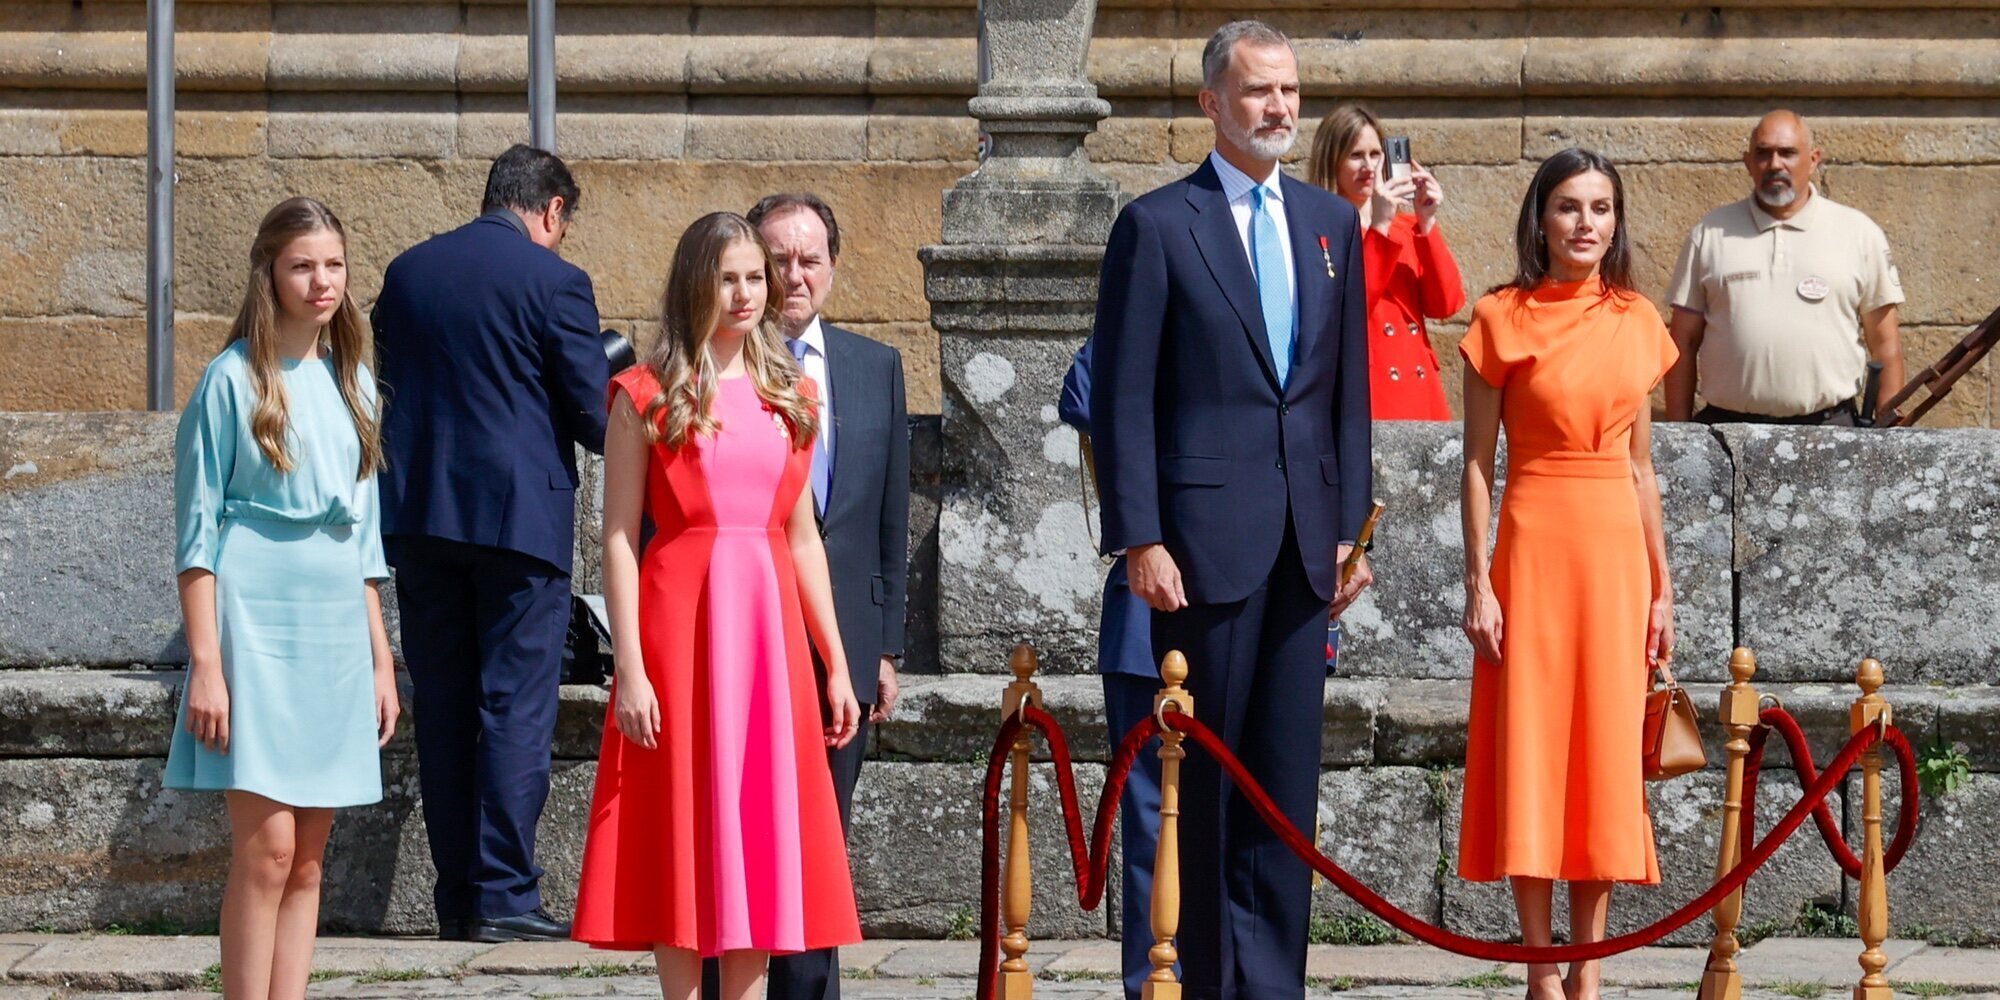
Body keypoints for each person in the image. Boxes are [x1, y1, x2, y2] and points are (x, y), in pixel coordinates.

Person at [1089, 20, 1374, 1000]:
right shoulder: (1159, 225)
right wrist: (1140, 535)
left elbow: (1345, 398)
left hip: (1302, 550)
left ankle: (1271, 986)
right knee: (1201, 790)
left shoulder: (1331, 227)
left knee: (1283, 791)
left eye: (1289, 91)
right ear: (1211, 102)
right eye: (1258, 92)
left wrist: (1350, 531)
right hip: (1198, 553)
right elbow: (1123, 395)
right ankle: (1200, 983)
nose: (1280, 109)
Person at [572, 212, 864, 1000]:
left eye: (753, 277)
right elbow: (620, 539)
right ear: (696, 283)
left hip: (768, 640)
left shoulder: (792, 395)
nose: (745, 293)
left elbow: (803, 538)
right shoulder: (645, 393)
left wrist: (835, 661)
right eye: (729, 276)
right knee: (681, 829)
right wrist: (627, 667)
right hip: (681, 630)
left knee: (760, 837)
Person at [371, 144, 610, 943]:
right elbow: (593, 415)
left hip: (420, 517)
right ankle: (506, 897)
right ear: (551, 211)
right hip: (519, 526)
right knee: (513, 707)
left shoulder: (408, 273)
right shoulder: (556, 282)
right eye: (562, 226)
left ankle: (457, 899)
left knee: (442, 710)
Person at [166, 197, 398, 1000]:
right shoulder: (230, 381)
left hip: (335, 627)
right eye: (303, 264)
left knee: (308, 857)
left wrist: (380, 659)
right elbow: (196, 538)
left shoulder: (355, 380)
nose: (321, 280)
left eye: (333, 264)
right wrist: (206, 664)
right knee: (264, 850)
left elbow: (364, 542)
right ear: (270, 270)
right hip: (254, 620)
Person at [1456, 148, 1673, 1000]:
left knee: (1605, 758)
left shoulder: (1638, 318)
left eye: (1603, 208)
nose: (1588, 224)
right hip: (1533, 549)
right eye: (1571, 208)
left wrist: (1664, 588)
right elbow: (1476, 464)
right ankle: (1539, 968)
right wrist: (1479, 581)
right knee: (1533, 750)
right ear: (1540, 218)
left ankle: (1590, 970)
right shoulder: (1500, 317)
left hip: (1615, 556)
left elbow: (1642, 468)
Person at [734, 192, 910, 1000]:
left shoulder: (875, 368)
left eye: (809, 259)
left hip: (845, 636)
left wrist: (884, 646)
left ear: (833, 267)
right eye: (778, 259)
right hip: (748, 631)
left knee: (820, 840)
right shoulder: (723, 370)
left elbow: (888, 516)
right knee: (741, 836)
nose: (793, 275)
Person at [1664, 110, 1905, 424]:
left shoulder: (1859, 233)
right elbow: (1681, 342)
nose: (1775, 164)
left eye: (1788, 153)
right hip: (1726, 430)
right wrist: (1681, 433)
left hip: (1831, 430)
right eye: (1763, 154)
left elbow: (1885, 345)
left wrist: (1889, 441)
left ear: (1814, 159)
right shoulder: (1710, 233)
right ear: (1748, 162)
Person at [1056, 339, 1166, 1000]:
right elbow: (1084, 391)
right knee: (1151, 819)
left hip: (1250, 603)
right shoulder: (1127, 332)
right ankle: (1154, 985)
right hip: (1147, 614)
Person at [1307, 102, 1466, 419]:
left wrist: (1426, 222)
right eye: (1356, 155)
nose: (1368, 166)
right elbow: (1346, 308)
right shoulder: (1317, 229)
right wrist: (1378, 227)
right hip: (1370, 390)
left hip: (1421, 392)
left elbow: (1446, 304)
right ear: (1332, 160)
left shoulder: (1406, 227)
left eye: (1375, 154)